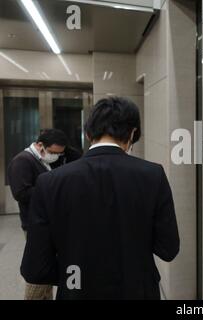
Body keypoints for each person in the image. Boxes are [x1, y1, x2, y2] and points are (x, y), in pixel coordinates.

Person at [20, 97, 180, 300]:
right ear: (132, 133)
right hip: (138, 290)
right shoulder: (153, 175)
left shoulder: (49, 182)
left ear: (88, 134)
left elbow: (35, 269)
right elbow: (168, 249)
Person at [7, 128, 68, 300]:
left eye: (59, 153)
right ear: (40, 145)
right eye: (53, 152)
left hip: (47, 224)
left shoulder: (41, 159)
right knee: (38, 272)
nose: (55, 156)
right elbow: (21, 193)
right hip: (35, 225)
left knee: (46, 272)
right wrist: (53, 191)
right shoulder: (22, 161)